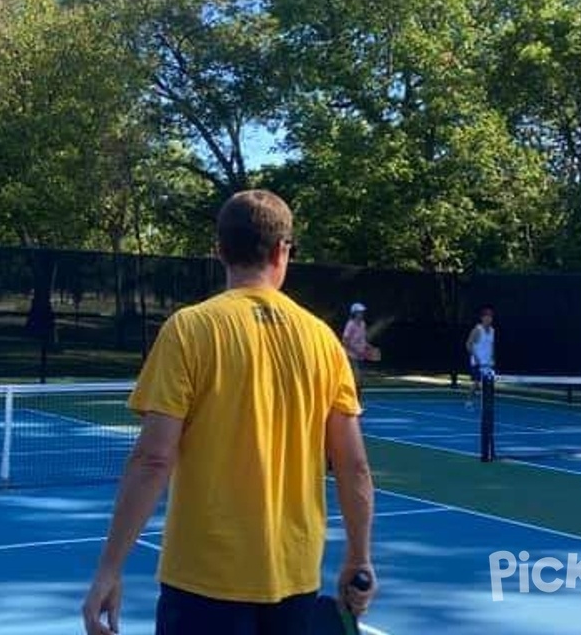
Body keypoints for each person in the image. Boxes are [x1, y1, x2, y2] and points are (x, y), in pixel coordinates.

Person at [81, 190, 377, 635]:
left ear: (220, 250)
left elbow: (153, 458)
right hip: (294, 578)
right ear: (283, 251)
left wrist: (109, 569)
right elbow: (353, 467)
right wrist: (359, 558)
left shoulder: (189, 328)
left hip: (202, 580)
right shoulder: (323, 340)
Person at [341, 302, 376, 406]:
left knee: (360, 379)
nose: (361, 314)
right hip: (352, 356)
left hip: (360, 356)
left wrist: (368, 347)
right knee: (357, 379)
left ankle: (356, 401)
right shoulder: (350, 324)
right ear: (354, 313)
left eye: (362, 312)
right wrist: (355, 350)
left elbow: (362, 339)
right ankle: (353, 401)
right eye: (359, 312)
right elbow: (345, 341)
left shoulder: (363, 324)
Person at [465, 306, 497, 411]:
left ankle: (485, 404)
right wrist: (476, 357)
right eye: (486, 316)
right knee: (476, 383)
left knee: (488, 384)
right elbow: (468, 344)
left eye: (490, 317)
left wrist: (492, 358)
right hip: (477, 362)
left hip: (487, 362)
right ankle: (468, 402)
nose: (488, 319)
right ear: (482, 318)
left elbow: (491, 345)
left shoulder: (492, 330)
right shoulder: (477, 330)